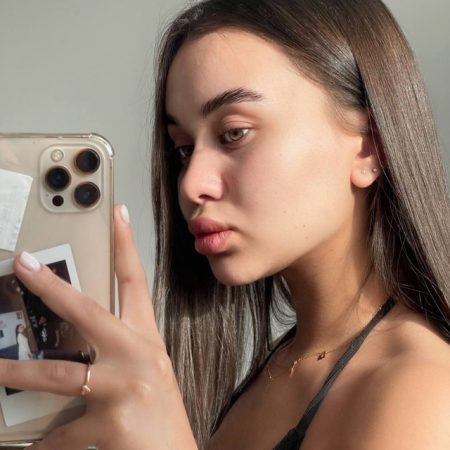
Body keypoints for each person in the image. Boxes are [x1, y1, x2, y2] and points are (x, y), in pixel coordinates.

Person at [3, 0, 450, 448]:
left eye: (235, 133)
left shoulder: (421, 391)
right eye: (183, 149)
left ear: (368, 149)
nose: (190, 184)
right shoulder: (278, 370)